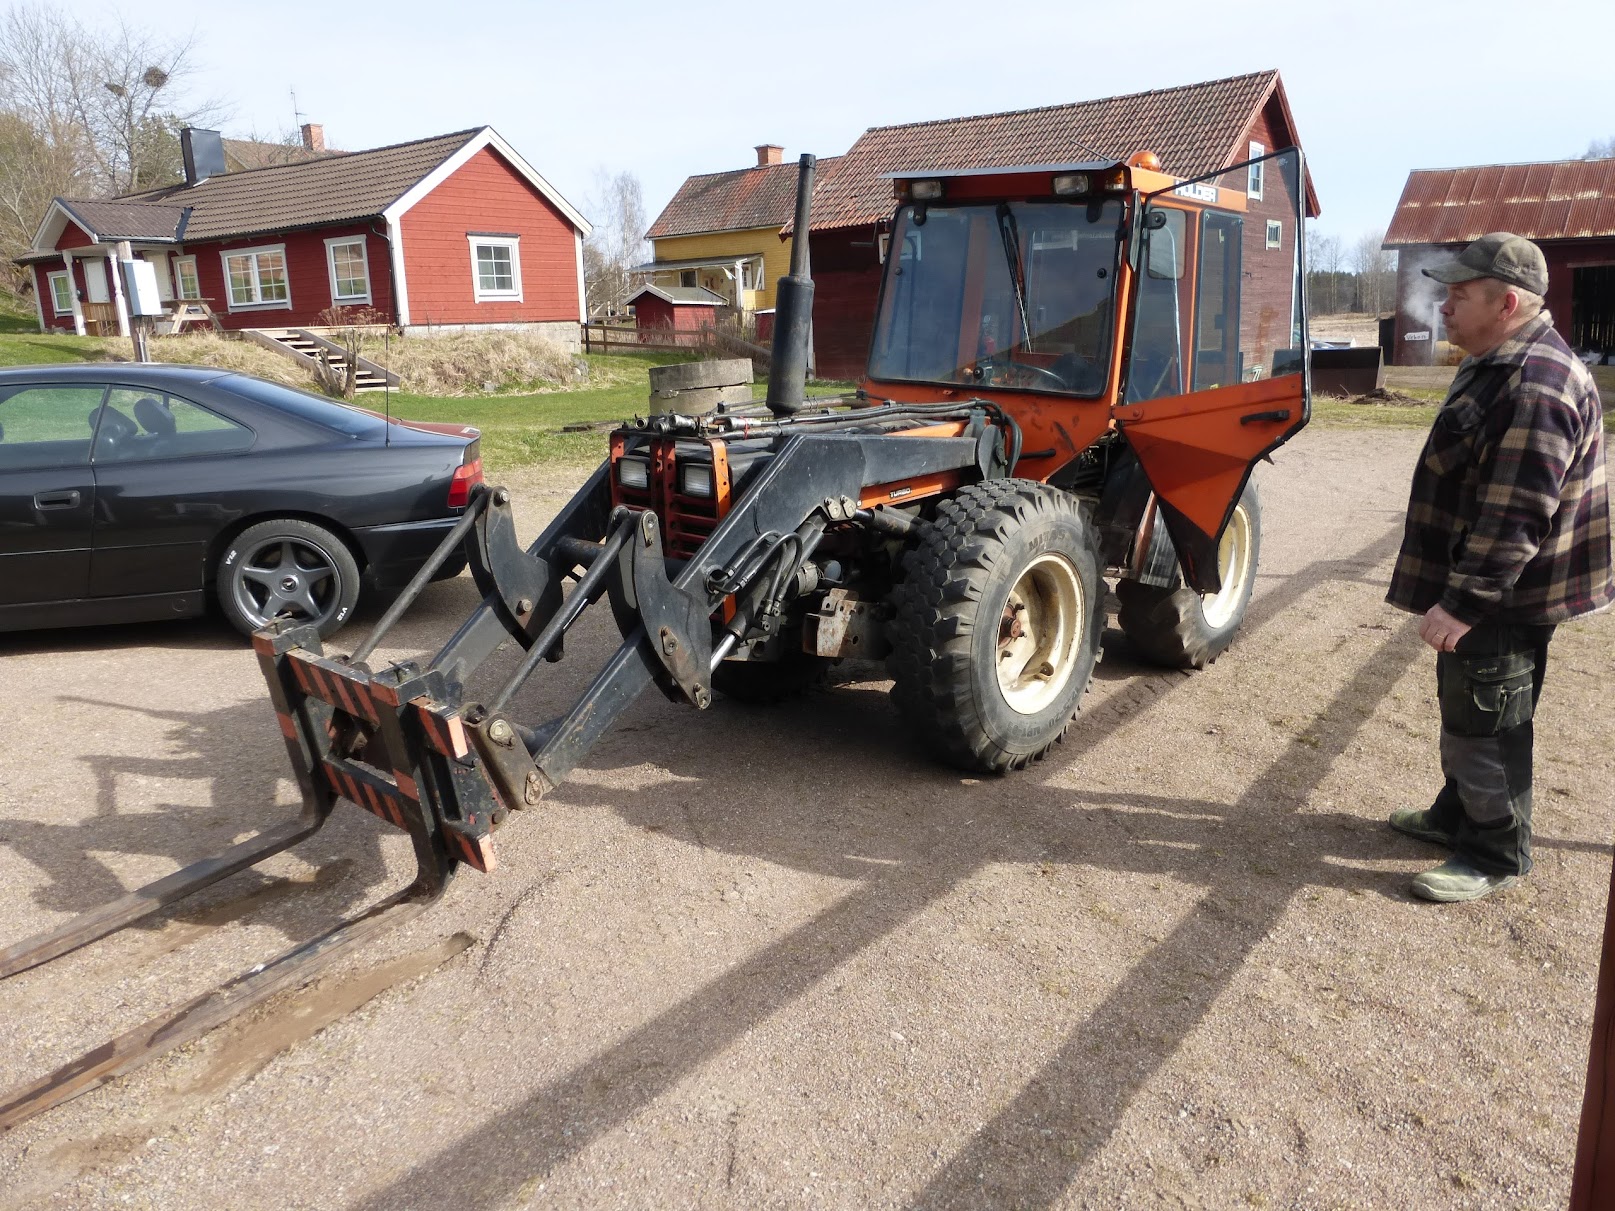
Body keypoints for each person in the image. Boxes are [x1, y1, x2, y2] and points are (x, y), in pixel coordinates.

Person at [1386, 232, 1613, 902]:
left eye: (1459, 295)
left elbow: (1514, 517)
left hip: (1503, 596)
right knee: (1466, 703)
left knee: (1489, 713)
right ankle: (1455, 813)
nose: (1444, 306)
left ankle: (1494, 850)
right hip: (1494, 589)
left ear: (1505, 301)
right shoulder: (1498, 357)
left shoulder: (1533, 383)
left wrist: (1460, 603)